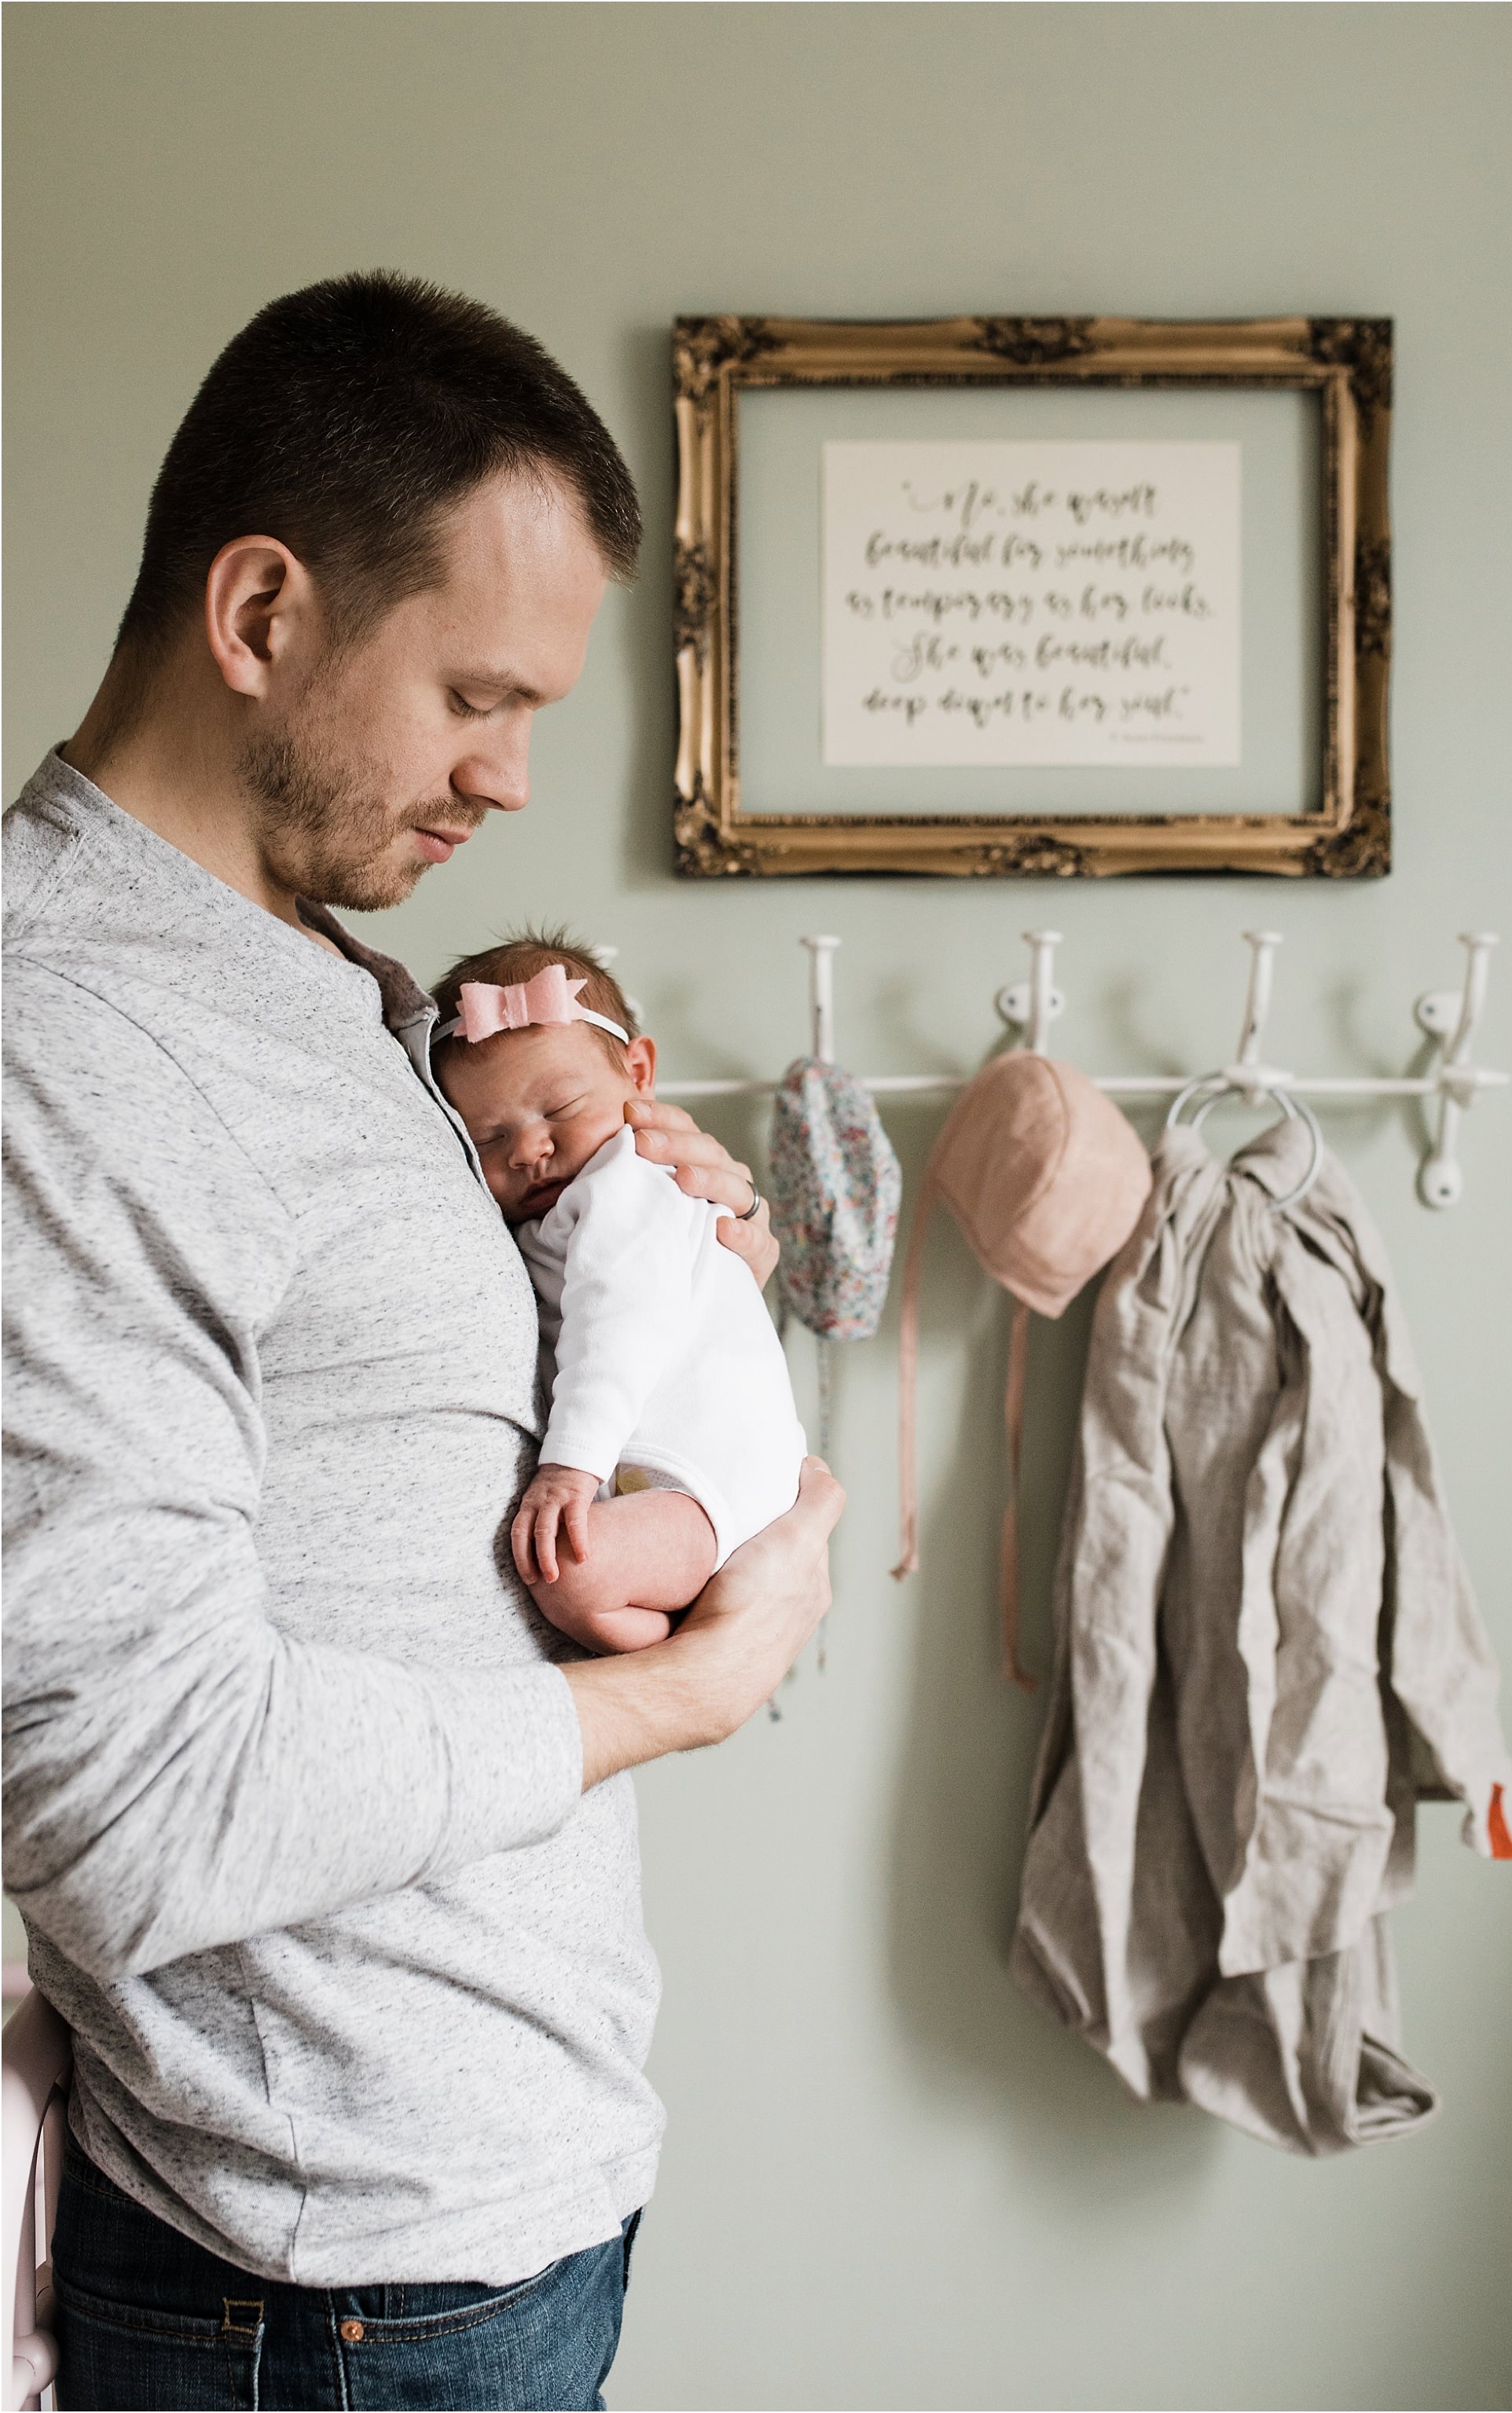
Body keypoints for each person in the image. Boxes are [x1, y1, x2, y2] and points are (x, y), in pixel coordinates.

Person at [2, 270, 842, 2413]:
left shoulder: (326, 978)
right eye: (475, 691)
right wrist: (683, 1687)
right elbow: (131, 1802)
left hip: (489, 2187)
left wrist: (650, 1222)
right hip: (322, 2273)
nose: (512, 775)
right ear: (265, 609)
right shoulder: (67, 1042)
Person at [428, 931, 811, 1655]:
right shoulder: (550, 1212)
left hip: (705, 1479)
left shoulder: (626, 1180)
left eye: (560, 1109)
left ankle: (688, 1654)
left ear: (639, 1072)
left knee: (569, 1579)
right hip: (666, 1476)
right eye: (489, 1137)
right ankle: (691, 1641)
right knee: (572, 1579)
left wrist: (569, 1463)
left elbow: (618, 1321)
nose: (528, 1149)